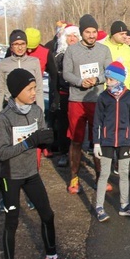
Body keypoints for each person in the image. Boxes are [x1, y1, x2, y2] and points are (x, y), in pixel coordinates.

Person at [0, 68, 76, 259]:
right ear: (16, 91)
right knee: (12, 221)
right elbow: (1, 153)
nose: (34, 92)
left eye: (35, 88)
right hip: (11, 176)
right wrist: (30, 142)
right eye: (29, 89)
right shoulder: (4, 117)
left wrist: (46, 140)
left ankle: (51, 258)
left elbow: (39, 136)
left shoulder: (37, 111)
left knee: (47, 214)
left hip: (31, 173)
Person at [62, 14, 113, 194]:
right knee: (76, 140)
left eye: (93, 32)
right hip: (77, 99)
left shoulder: (104, 50)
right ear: (81, 32)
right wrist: (79, 81)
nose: (91, 35)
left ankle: (100, 177)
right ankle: (74, 177)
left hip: (98, 99)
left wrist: (97, 79)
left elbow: (109, 70)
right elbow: (66, 73)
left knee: (98, 140)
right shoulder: (72, 50)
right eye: (87, 32)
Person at [92, 61, 130, 221]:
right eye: (106, 79)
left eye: (111, 79)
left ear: (119, 79)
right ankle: (99, 207)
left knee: (124, 172)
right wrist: (97, 142)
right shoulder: (103, 97)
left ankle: (124, 205)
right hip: (106, 140)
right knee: (104, 174)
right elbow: (97, 121)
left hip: (125, 140)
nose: (108, 82)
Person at [25, 27, 60, 157]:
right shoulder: (15, 49)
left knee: (42, 121)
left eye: (31, 48)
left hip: (37, 92)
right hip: (19, 93)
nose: (28, 50)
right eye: (27, 47)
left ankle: (45, 147)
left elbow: (54, 74)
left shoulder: (45, 52)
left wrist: (55, 95)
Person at [0, 30, 43, 121]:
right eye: (16, 44)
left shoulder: (34, 62)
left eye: (22, 44)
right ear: (11, 47)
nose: (20, 47)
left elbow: (39, 89)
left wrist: (41, 114)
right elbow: (0, 90)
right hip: (10, 108)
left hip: (31, 107)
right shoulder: (3, 64)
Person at [53, 24, 81, 167]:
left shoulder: (82, 53)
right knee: (63, 125)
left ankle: (77, 154)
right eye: (69, 36)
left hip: (79, 94)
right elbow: (55, 77)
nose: (72, 39)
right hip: (64, 94)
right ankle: (64, 153)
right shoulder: (59, 55)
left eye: (75, 36)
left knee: (77, 126)